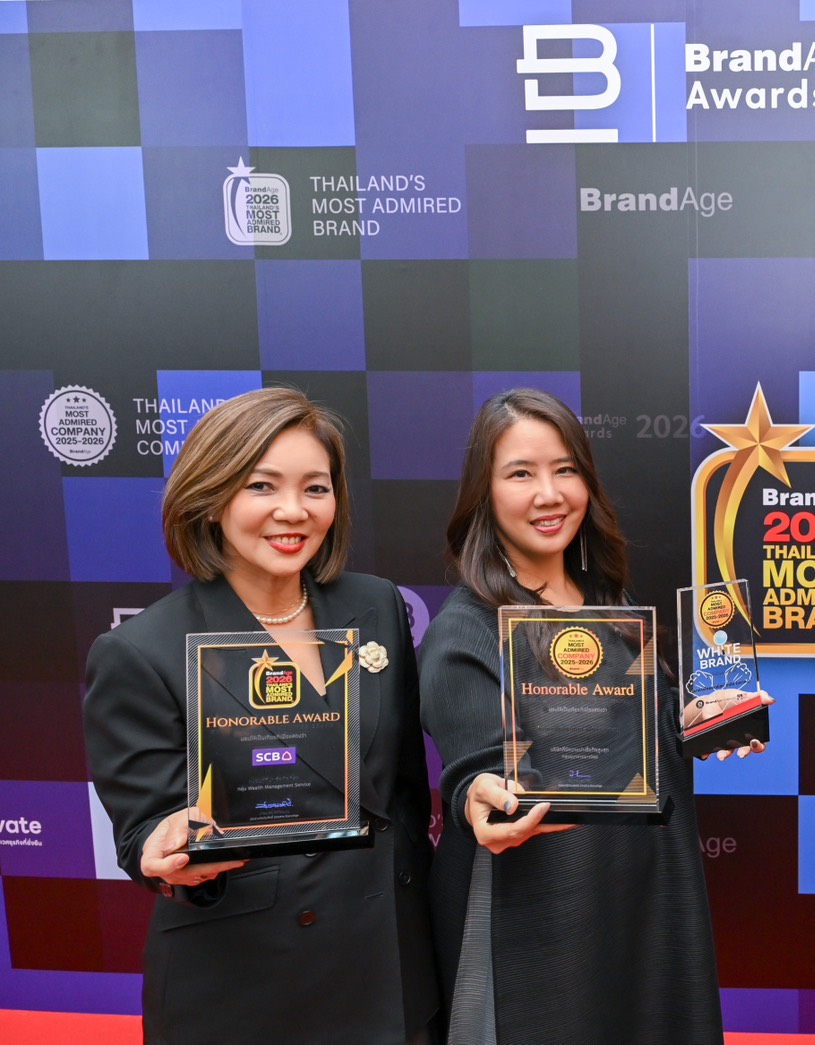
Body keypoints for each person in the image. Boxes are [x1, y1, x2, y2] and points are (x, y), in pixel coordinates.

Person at [83, 388, 439, 1044]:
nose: (294, 510)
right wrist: (169, 848)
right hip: (247, 983)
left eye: (315, 488)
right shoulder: (140, 650)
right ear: (211, 496)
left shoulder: (377, 606)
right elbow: (144, 833)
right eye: (262, 486)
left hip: (390, 971)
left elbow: (405, 795)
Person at [420, 388, 747, 1045]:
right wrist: (483, 797)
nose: (549, 494)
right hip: (539, 924)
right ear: (484, 493)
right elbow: (482, 776)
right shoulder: (467, 629)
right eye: (521, 473)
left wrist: (695, 719)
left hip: (640, 899)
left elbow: (633, 742)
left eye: (565, 469)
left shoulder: (606, 599)